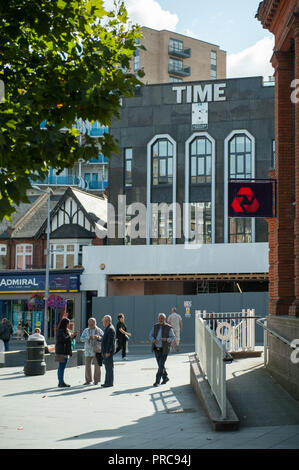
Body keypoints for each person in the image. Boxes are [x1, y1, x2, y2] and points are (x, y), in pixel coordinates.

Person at [149, 313, 175, 387]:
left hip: (164, 349)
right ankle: (165, 377)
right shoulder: (155, 326)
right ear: (158, 319)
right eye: (160, 318)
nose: (161, 319)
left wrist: (166, 339)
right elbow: (150, 335)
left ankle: (157, 381)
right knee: (161, 365)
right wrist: (153, 340)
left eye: (162, 318)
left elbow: (172, 337)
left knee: (160, 365)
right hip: (156, 349)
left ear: (165, 319)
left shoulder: (169, 327)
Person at [80, 317, 104, 386]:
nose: (91, 325)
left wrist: (98, 337)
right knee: (87, 365)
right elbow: (81, 339)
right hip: (88, 350)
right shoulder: (86, 330)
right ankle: (88, 380)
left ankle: (96, 380)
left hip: (97, 350)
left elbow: (103, 338)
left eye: (92, 323)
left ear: (95, 323)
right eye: (90, 323)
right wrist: (88, 338)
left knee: (97, 366)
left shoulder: (99, 330)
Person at [55, 317, 77, 388]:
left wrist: (73, 336)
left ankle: (60, 382)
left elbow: (68, 339)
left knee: (61, 367)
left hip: (64, 351)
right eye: (68, 323)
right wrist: (71, 336)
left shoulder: (64, 330)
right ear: (65, 324)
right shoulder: (61, 331)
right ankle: (61, 382)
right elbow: (63, 339)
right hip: (62, 351)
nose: (69, 325)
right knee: (61, 367)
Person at [101, 315, 116, 388]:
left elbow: (110, 342)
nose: (103, 322)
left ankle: (109, 382)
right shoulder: (108, 328)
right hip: (106, 351)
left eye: (103, 321)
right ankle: (107, 382)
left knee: (109, 367)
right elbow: (106, 339)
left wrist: (107, 352)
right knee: (108, 367)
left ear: (107, 321)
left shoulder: (110, 329)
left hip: (108, 351)